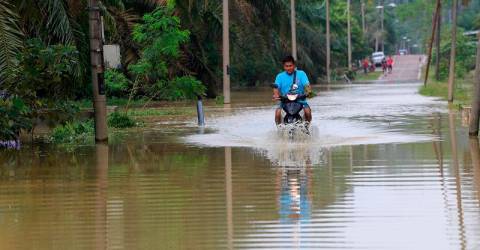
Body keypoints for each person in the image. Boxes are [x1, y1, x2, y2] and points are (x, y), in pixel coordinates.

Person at [272, 56, 312, 125]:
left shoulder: (301, 74)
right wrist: (276, 95)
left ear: (294, 65)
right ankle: (279, 129)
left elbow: (306, 84)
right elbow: (276, 87)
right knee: (277, 114)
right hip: (285, 101)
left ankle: (307, 127)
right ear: (284, 67)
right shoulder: (280, 76)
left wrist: (309, 91)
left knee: (308, 112)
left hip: (300, 100)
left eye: (290, 66)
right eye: (286, 66)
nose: (288, 68)